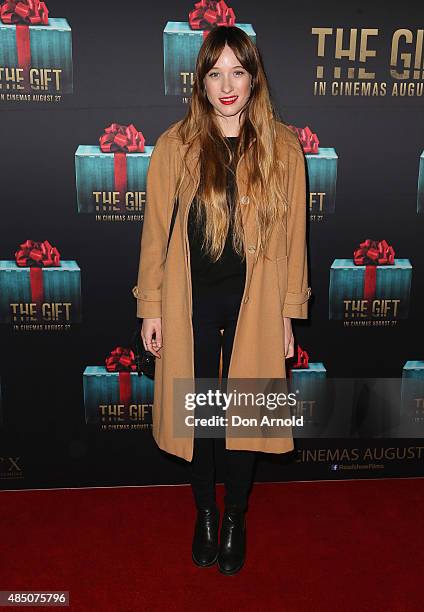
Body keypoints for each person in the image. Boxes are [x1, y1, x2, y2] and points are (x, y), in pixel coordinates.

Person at [133, 25, 311, 575]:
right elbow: (155, 232)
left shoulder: (283, 147)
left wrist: (287, 312)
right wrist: (151, 307)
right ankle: (204, 513)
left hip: (254, 302)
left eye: (238, 71)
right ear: (201, 81)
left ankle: (235, 514)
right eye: (215, 73)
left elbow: (294, 238)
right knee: (200, 415)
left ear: (254, 78)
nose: (226, 85)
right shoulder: (174, 145)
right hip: (191, 303)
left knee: (246, 414)